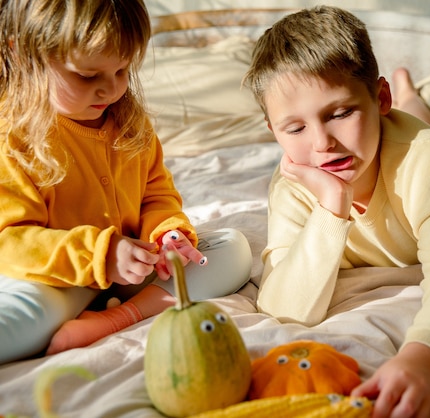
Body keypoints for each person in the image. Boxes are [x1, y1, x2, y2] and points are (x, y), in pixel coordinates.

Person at [242, 6, 430, 418]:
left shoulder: (425, 156)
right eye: (295, 129)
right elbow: (283, 307)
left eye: (341, 113)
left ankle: (410, 96)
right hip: (387, 139)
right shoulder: (293, 183)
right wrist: (332, 206)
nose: (322, 143)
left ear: (379, 98)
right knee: (405, 129)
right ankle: (409, 100)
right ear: (272, 130)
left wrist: (421, 360)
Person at [0, 0, 252, 365]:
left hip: (137, 267)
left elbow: (156, 193)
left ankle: (113, 320)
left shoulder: (129, 123)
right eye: (88, 76)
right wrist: (101, 254)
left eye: (122, 70)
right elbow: (9, 240)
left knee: (234, 249)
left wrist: (167, 233)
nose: (111, 90)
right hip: (56, 281)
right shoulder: (12, 137)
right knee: (19, 322)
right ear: (22, 55)